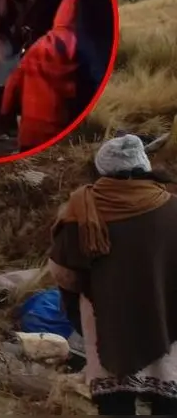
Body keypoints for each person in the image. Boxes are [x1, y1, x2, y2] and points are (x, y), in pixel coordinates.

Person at [49, 135, 177, 416]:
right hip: (168, 326)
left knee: (115, 405)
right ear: (144, 166)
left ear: (103, 169)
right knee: (168, 404)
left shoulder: (81, 211)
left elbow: (64, 275)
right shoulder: (173, 208)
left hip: (107, 329)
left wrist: (76, 311)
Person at [1, 0, 82, 152]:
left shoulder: (39, 46)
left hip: (32, 127)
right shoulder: (84, 48)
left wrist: (6, 111)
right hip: (63, 126)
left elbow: (14, 81)